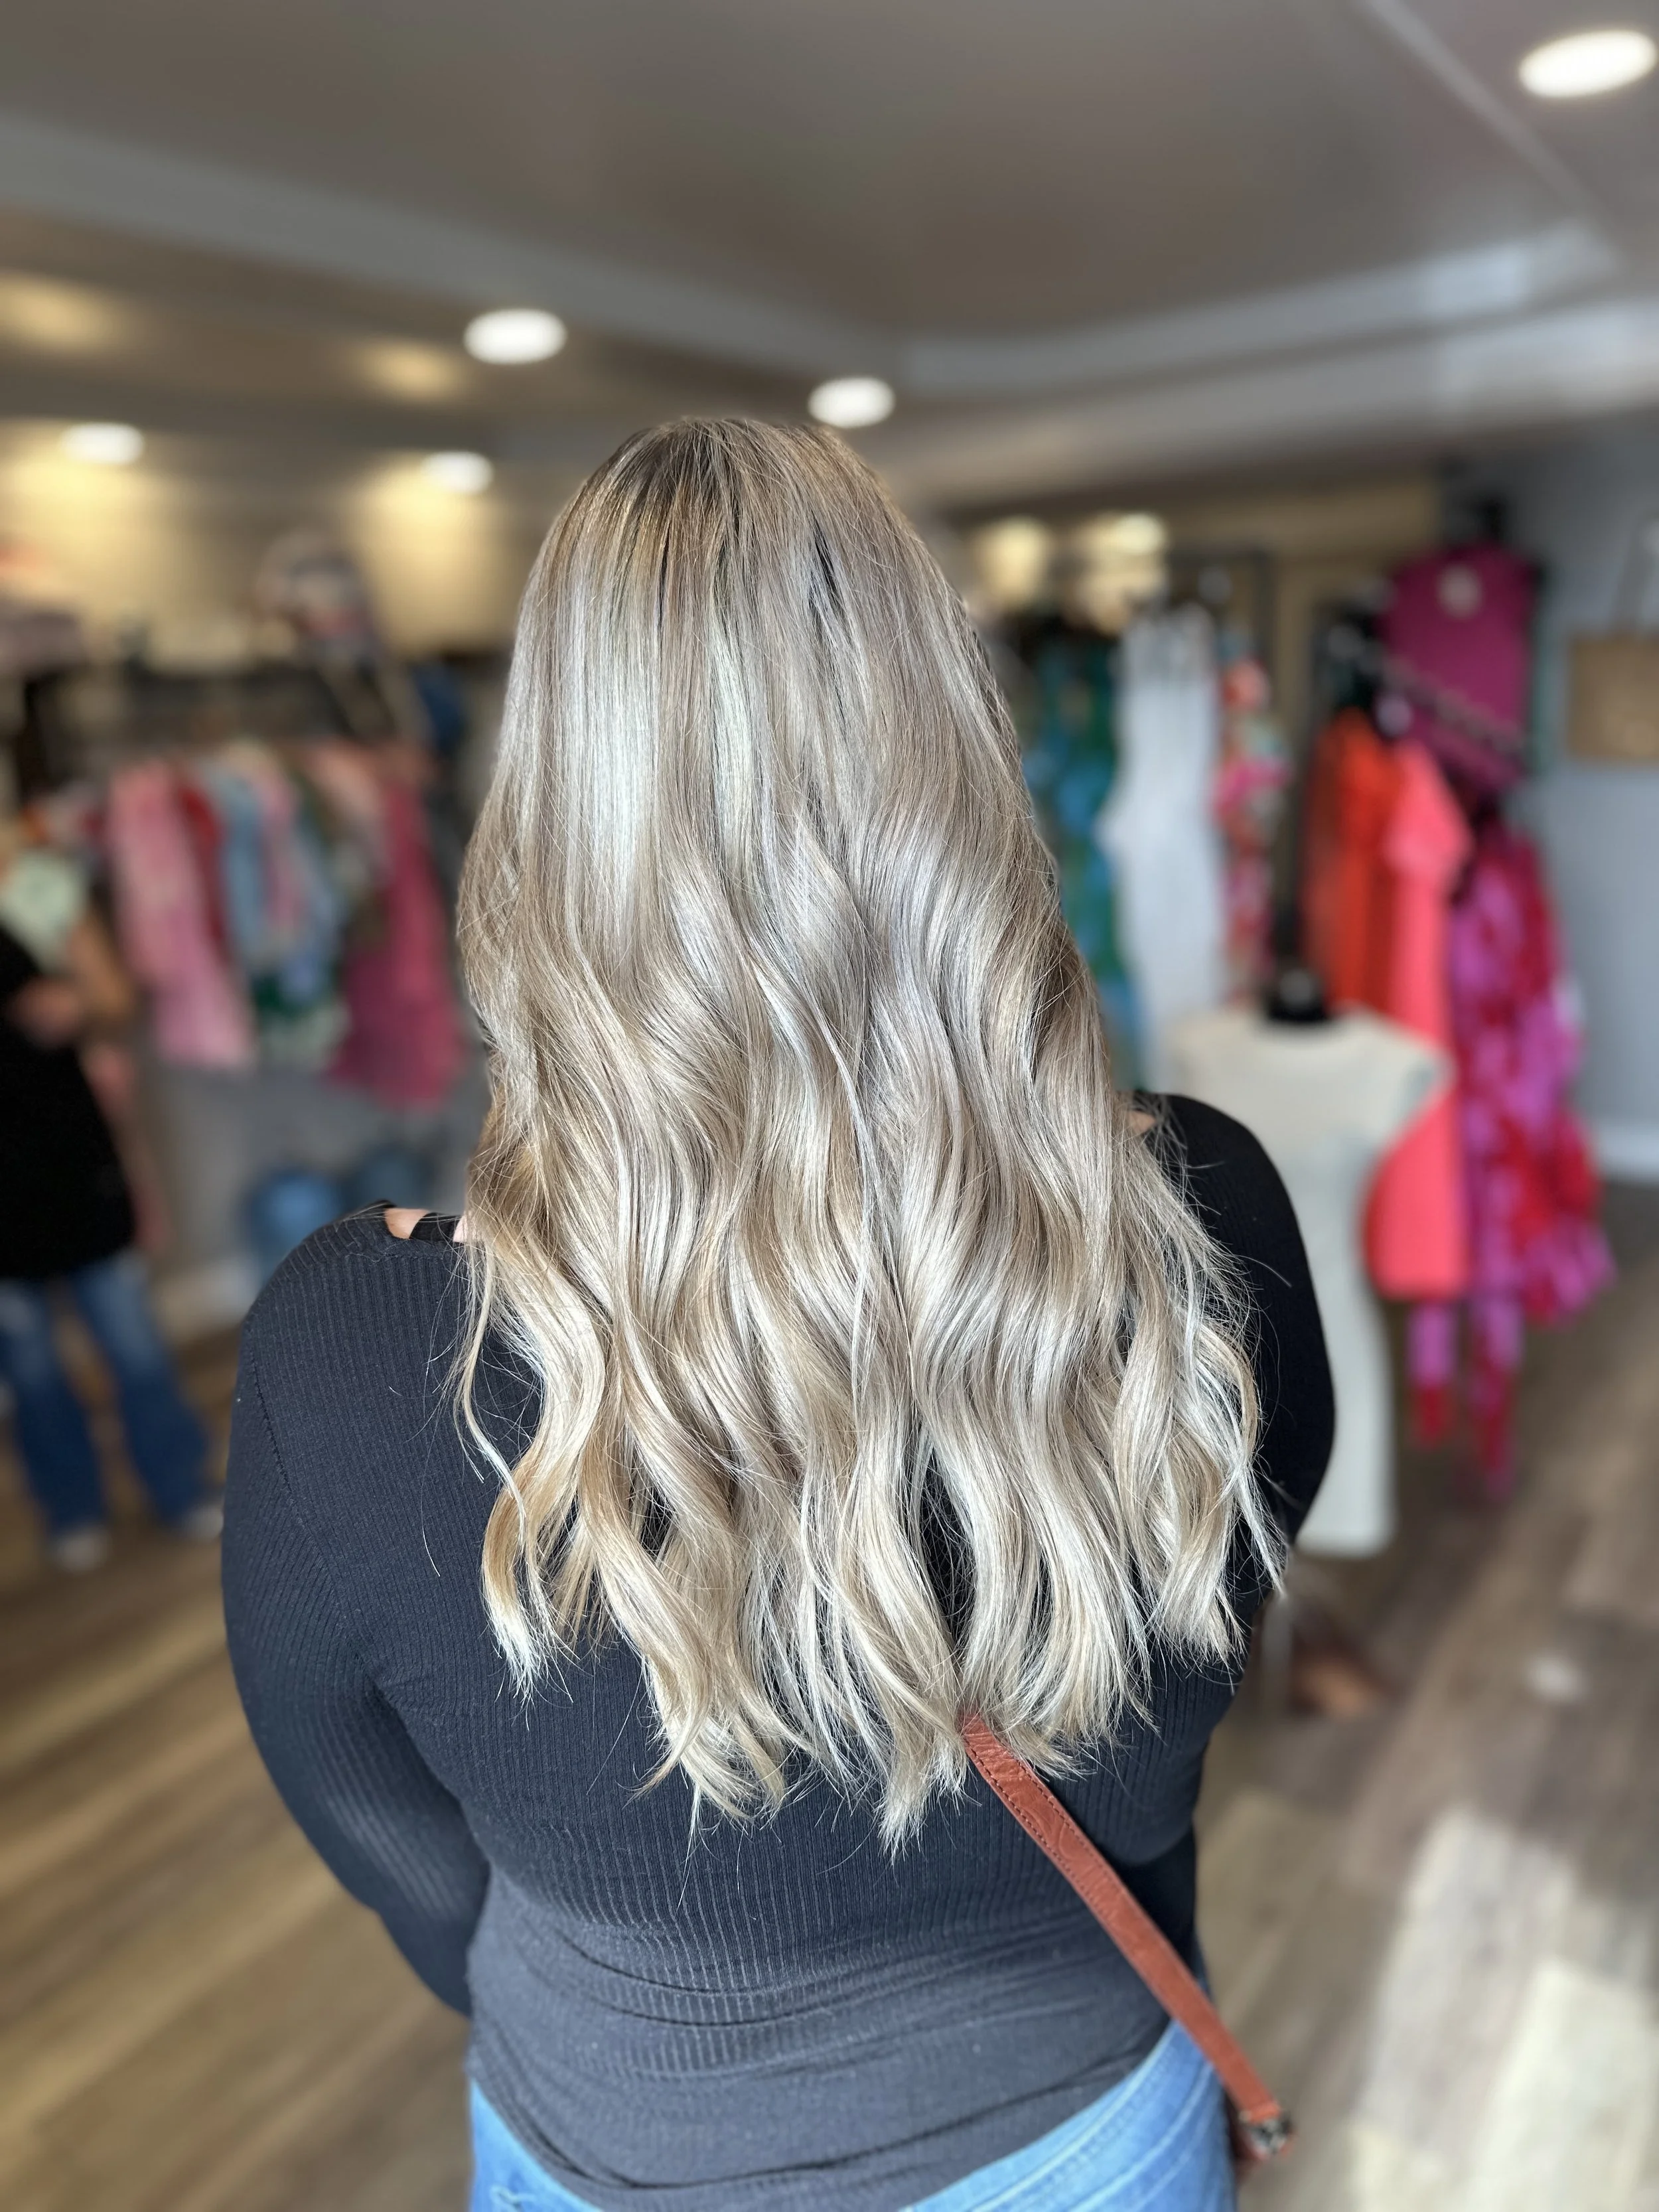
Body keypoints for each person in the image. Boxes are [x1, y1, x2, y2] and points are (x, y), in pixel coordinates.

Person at [224, 421, 1332, 2212]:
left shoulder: (352, 1343)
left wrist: (603, 1972)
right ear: (958, 771)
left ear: (550, 810)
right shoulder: (1205, 1215)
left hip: (614, 2137)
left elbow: (386, 1842)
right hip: (1077, 2119)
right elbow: (1163, 1729)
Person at [0, 839, 219, 1570]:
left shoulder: (36, 883)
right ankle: (71, 1506)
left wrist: (72, 1002)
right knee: (27, 1364)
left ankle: (179, 1485)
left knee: (131, 1341)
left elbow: (116, 998)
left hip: (68, 1152)